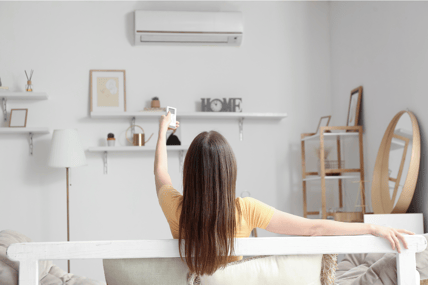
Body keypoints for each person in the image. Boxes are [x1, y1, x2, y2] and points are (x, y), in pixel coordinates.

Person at [154, 112, 414, 277]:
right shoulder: (245, 209)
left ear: (189, 171)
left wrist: (163, 129)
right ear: (228, 172)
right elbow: (315, 229)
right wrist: (371, 228)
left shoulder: (174, 207)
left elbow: (160, 170)